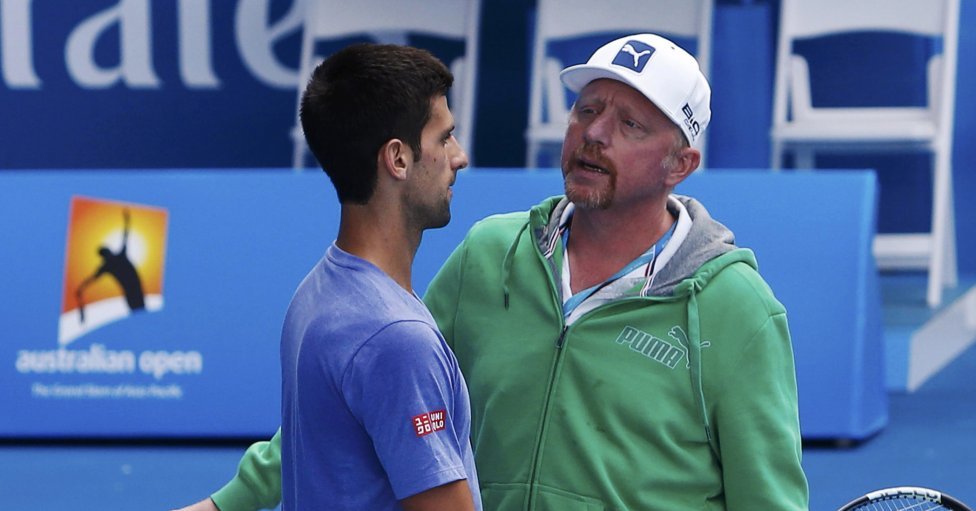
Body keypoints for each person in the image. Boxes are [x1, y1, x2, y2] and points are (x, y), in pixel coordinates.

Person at [174, 33, 809, 511]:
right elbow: (369, 389)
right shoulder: (489, 254)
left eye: (629, 124)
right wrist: (230, 503)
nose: (594, 134)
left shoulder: (737, 310)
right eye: (586, 110)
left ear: (680, 165)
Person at [172, 43, 477, 511]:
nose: (460, 157)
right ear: (398, 159)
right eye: (445, 138)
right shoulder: (398, 339)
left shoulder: (317, 292)